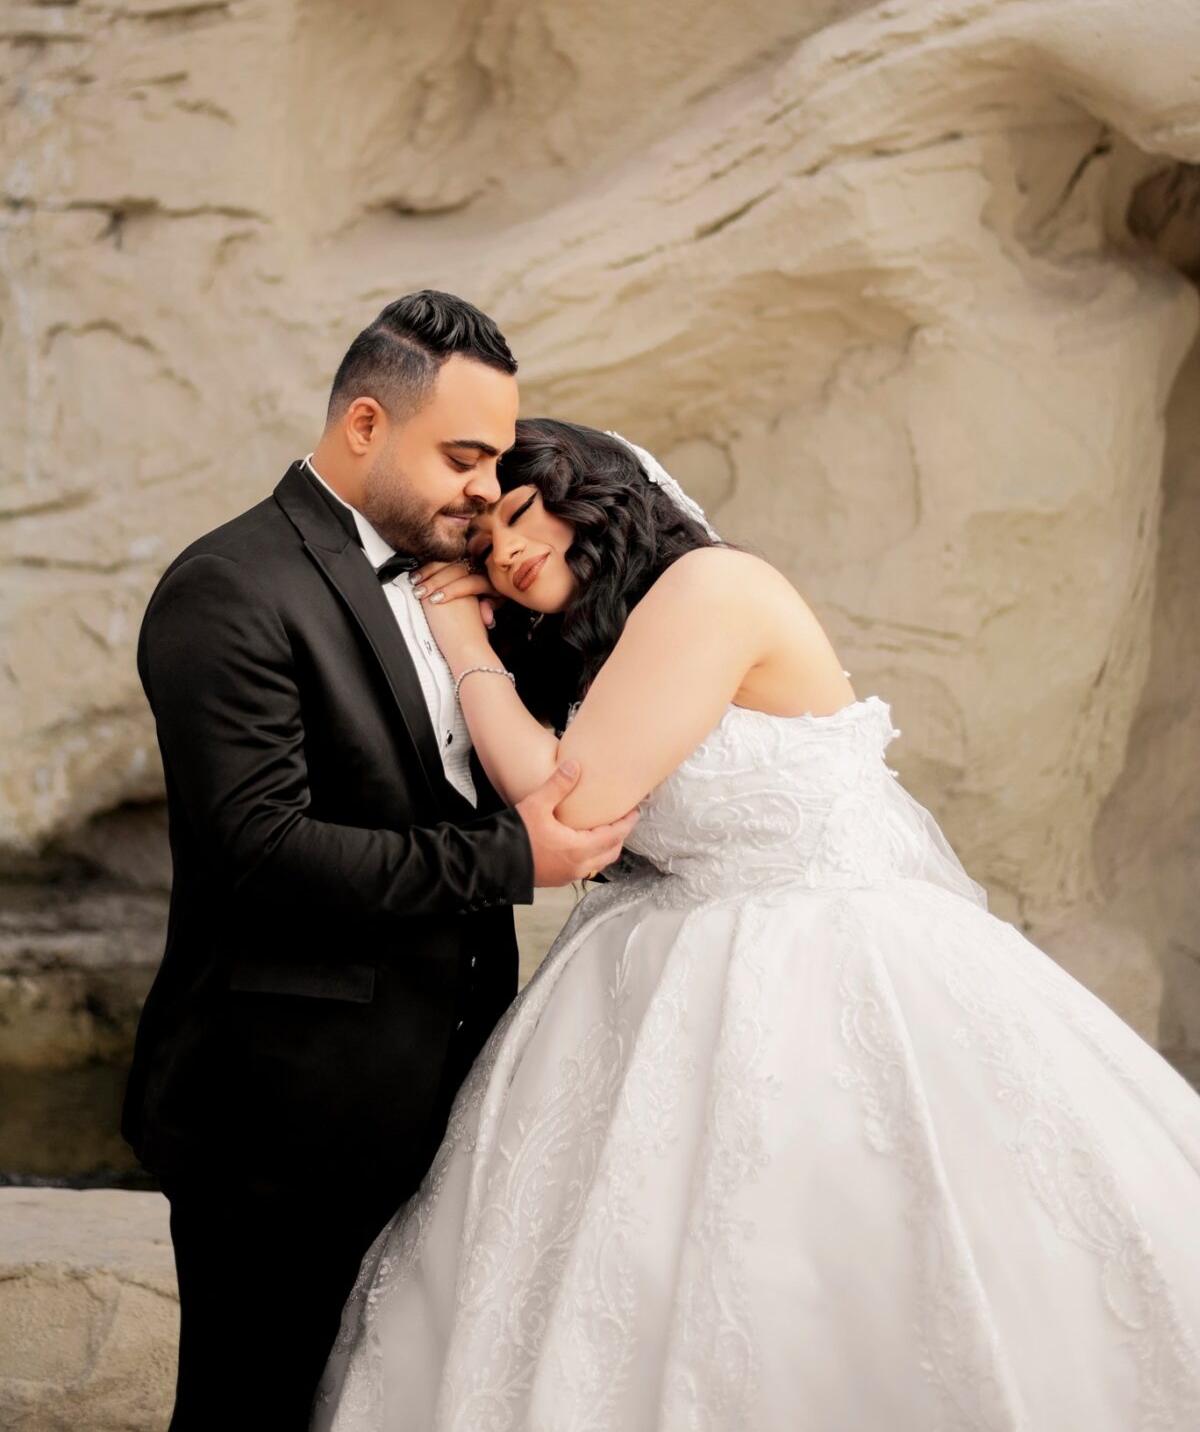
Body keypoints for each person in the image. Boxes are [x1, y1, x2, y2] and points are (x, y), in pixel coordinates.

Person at [313, 417, 1200, 1431]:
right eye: (482, 547)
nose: (507, 551)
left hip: (832, 963)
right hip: (665, 969)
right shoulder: (610, 645)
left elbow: (571, 805)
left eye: (522, 514)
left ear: (599, 498)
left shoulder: (711, 588)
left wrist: (464, 642)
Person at [121, 302, 636, 1432]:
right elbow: (265, 850)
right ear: (365, 423)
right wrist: (515, 856)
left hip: (446, 1094)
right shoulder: (231, 585)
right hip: (283, 1112)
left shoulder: (464, 585)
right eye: (464, 457)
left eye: (495, 459)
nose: (487, 488)